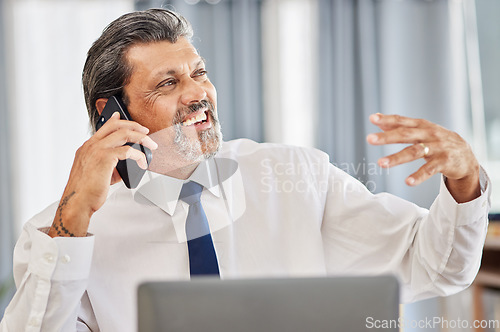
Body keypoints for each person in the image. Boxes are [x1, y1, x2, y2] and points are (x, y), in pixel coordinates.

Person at [0, 8, 491, 332]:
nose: (198, 94)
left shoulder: (297, 176)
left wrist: (465, 180)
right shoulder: (63, 233)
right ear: (114, 115)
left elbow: (438, 267)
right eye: (168, 83)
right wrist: (73, 220)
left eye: (200, 73)